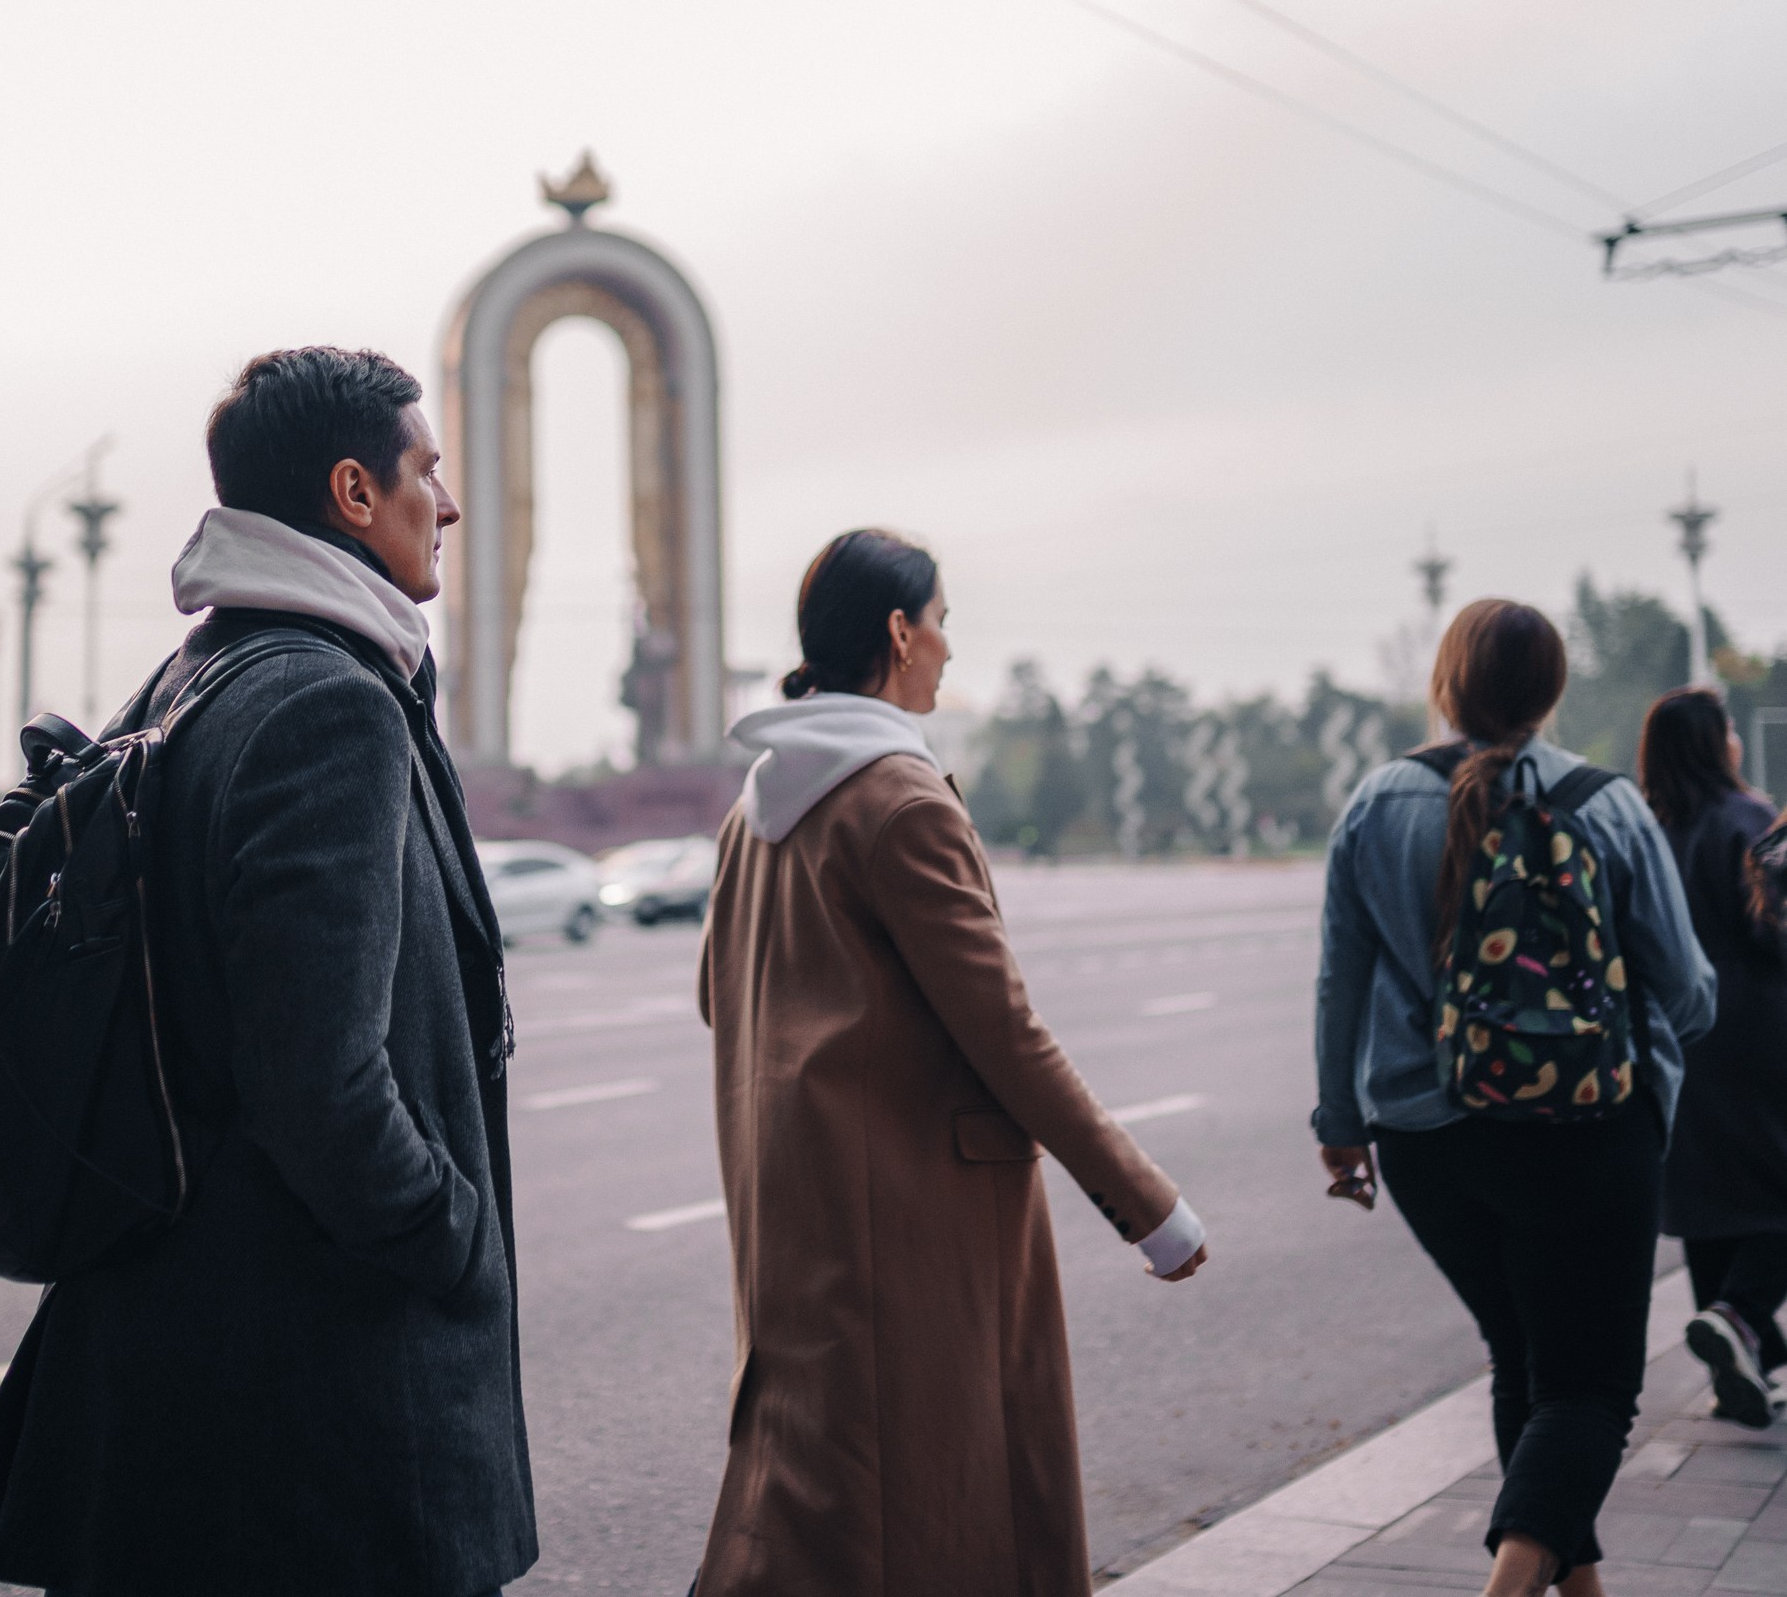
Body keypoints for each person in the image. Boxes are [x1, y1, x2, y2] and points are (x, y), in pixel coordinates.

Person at [0, 347, 537, 1597]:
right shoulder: (328, 703)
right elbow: (316, 1077)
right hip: (306, 1402)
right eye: (426, 467)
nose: (451, 500)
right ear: (352, 492)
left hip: (178, 1361)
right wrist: (448, 1231)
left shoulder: (193, 677)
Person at [694, 529, 1209, 1597]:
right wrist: (1148, 1206)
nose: (947, 646)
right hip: (919, 1215)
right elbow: (1004, 1031)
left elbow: (717, 993)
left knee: (818, 1490)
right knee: (943, 1509)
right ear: (897, 631)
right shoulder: (901, 800)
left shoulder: (760, 803)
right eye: (939, 619)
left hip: (796, 1204)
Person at [1315, 600, 1715, 1597]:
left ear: (1445, 684)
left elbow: (1340, 984)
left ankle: (1574, 1589)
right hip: (1586, 1133)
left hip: (1425, 1143)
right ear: (1550, 691)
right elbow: (1689, 992)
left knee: (1525, 1359)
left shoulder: (1373, 803)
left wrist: (1339, 1126)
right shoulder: (1607, 804)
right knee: (1590, 1387)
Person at [1638, 686, 1787, 1426]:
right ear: (1712, 742)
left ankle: (1742, 1363)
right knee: (1775, 1188)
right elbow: (1776, 928)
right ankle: (1744, 1318)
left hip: (1675, 1039)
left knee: (1710, 1201)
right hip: (1760, 1034)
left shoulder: (1646, 830)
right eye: (1728, 727)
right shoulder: (1751, 821)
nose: (1735, 738)